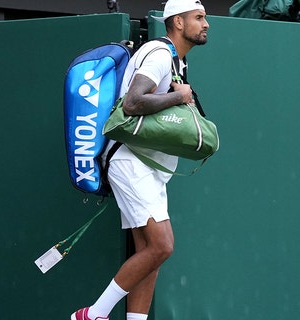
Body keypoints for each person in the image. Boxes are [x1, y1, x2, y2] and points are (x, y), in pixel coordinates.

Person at [70, 1, 210, 320]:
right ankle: (93, 315)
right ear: (176, 22)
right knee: (163, 246)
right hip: (132, 165)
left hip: (150, 168)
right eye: (199, 18)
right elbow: (133, 104)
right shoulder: (159, 55)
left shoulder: (174, 60)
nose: (206, 24)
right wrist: (180, 96)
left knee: (151, 254)